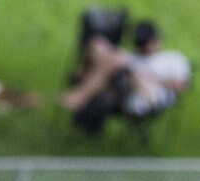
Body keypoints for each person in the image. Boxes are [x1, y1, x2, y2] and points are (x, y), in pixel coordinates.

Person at [59, 20, 191, 135]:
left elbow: (181, 86)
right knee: (99, 46)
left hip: (150, 97)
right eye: (140, 44)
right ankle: (82, 93)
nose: (143, 48)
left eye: (146, 43)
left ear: (157, 40)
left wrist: (146, 76)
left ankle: (80, 96)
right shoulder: (135, 58)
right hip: (121, 91)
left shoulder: (173, 59)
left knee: (123, 65)